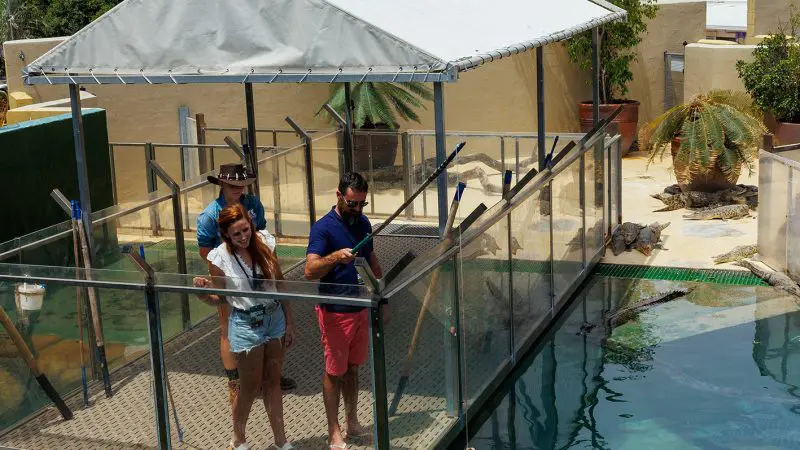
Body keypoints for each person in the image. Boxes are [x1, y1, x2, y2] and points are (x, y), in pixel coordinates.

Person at [193, 203, 295, 450]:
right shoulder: (219, 258)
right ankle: (238, 438)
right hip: (246, 323)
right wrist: (203, 294)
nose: (243, 237)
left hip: (274, 318)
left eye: (245, 230)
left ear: (251, 224)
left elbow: (280, 283)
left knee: (273, 381)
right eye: (236, 233)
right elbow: (221, 298)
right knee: (249, 385)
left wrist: (290, 321)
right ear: (226, 234)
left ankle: (281, 441)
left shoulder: (265, 243)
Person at [197, 163, 296, 404]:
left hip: (258, 272)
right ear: (221, 184)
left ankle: (270, 374)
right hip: (229, 276)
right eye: (233, 185)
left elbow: (262, 236)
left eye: (242, 185)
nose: (239, 189)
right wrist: (227, 270)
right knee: (227, 325)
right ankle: (234, 381)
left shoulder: (253, 205)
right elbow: (204, 250)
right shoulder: (210, 215)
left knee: (269, 318)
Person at [304, 172, 384, 449]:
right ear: (339, 196)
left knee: (352, 369)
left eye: (362, 203)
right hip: (334, 312)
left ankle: (352, 421)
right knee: (334, 371)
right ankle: (333, 430)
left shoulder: (362, 223)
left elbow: (371, 258)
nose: (358, 209)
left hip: (360, 308)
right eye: (352, 203)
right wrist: (335, 257)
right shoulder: (323, 228)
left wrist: (381, 291)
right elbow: (310, 270)